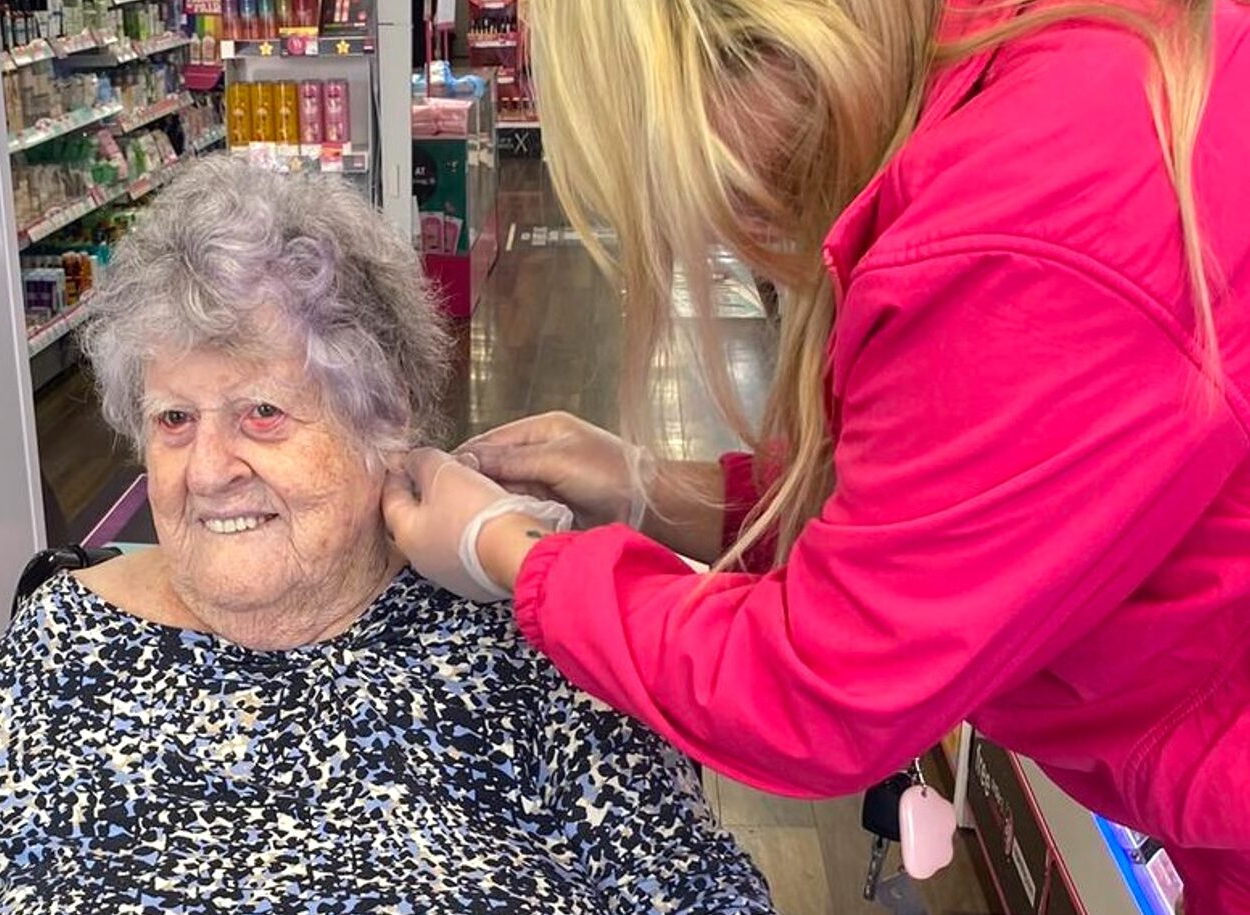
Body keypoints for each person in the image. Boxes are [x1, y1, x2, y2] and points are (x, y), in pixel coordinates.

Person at [382, 0, 1249, 911]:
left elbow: (826, 689)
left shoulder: (1029, 209)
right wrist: (653, 491)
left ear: (756, 59)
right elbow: (930, 504)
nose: (727, 214)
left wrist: (513, 551)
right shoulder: (1043, 96)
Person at [0, 158, 775, 914]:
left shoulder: (524, 650)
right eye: (174, 419)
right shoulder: (57, 646)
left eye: (261, 411)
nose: (207, 468)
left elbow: (697, 891)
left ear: (385, 418)